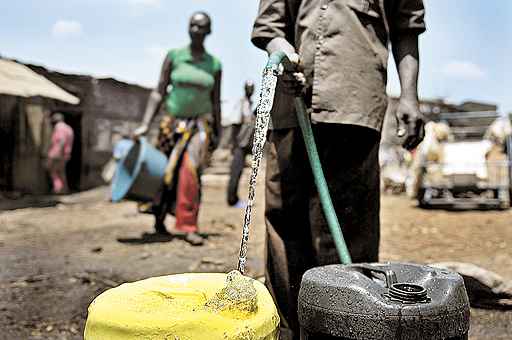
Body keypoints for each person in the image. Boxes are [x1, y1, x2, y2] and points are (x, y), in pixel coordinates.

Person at [251, 1, 426, 338]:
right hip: (291, 106)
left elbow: (407, 25)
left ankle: (346, 329)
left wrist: (409, 96)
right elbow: (268, 27)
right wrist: (281, 50)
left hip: (353, 104)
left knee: (347, 229)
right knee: (286, 222)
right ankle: (288, 329)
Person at [134, 12, 222, 246]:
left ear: (208, 31)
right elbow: (159, 91)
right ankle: (159, 220)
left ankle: (189, 225)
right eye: (192, 25)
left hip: (199, 126)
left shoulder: (214, 64)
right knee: (163, 171)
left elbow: (215, 101)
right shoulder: (174, 57)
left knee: (189, 172)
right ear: (187, 28)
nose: (196, 29)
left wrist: (218, 132)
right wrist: (145, 123)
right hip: (171, 123)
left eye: (201, 26)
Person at [227, 80, 256, 207]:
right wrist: (234, 145)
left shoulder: (250, 104)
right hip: (239, 144)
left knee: (238, 173)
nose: (250, 91)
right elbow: (235, 124)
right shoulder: (241, 103)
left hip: (244, 145)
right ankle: (231, 199)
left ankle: (234, 198)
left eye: (252, 88)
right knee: (235, 172)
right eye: (248, 88)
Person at [47, 113, 74, 194]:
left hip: (58, 153)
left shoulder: (59, 127)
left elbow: (61, 141)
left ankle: (58, 188)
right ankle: (64, 189)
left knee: (53, 171)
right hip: (65, 153)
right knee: (61, 171)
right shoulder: (68, 128)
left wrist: (57, 152)